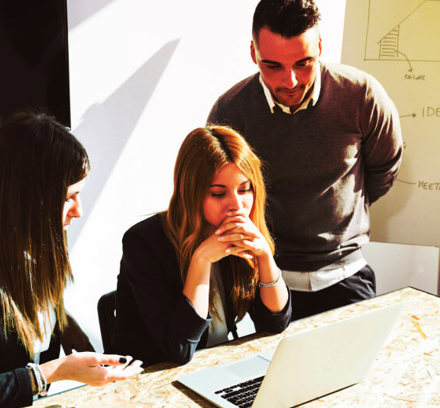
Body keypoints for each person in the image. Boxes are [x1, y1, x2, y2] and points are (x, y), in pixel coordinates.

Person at [207, 0, 403, 320]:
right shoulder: (230, 112)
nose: (291, 81)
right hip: (269, 280)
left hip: (347, 275)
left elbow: (384, 169)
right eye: (273, 66)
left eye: (304, 62)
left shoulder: (362, 95)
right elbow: (218, 193)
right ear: (254, 53)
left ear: (321, 46)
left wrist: (339, 217)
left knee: (356, 369)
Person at [0, 113, 143, 408]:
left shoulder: (32, 255)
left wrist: (68, 330)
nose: (78, 211)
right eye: (69, 197)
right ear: (29, 198)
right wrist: (52, 373)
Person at [113, 125, 291, 366]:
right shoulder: (143, 242)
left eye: (244, 190)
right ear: (191, 192)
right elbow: (178, 350)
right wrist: (201, 259)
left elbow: (275, 323)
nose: (236, 205)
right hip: (150, 380)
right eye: (219, 193)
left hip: (214, 368)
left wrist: (264, 256)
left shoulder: (239, 230)